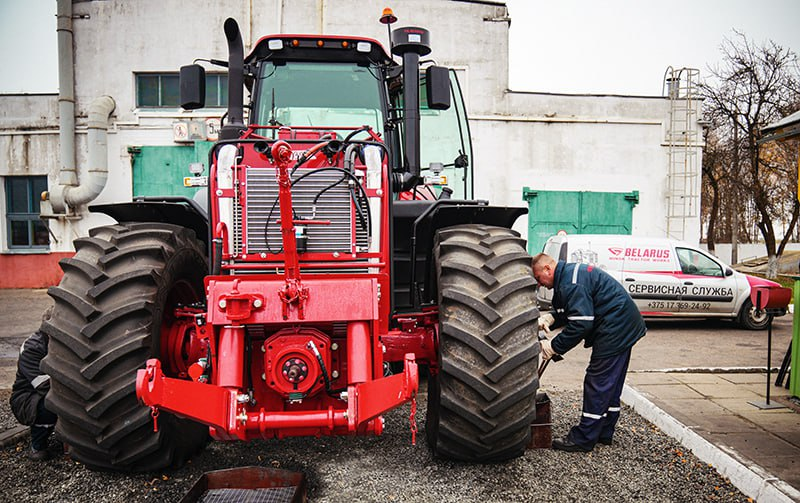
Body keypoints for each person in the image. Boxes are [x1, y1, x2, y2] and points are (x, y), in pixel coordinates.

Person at [532, 253, 646, 452]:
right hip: (625, 324)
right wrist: (550, 317)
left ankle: (583, 439)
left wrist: (554, 346)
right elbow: (572, 309)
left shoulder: (570, 283)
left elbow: (581, 323)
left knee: (598, 382)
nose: (540, 285)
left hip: (615, 328)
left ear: (548, 270)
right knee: (611, 382)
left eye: (539, 278)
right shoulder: (568, 275)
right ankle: (604, 432)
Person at [10, 306, 59, 461]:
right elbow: (44, 386)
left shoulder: (58, 345)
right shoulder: (32, 348)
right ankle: (37, 445)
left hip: (52, 390)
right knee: (50, 406)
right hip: (27, 398)